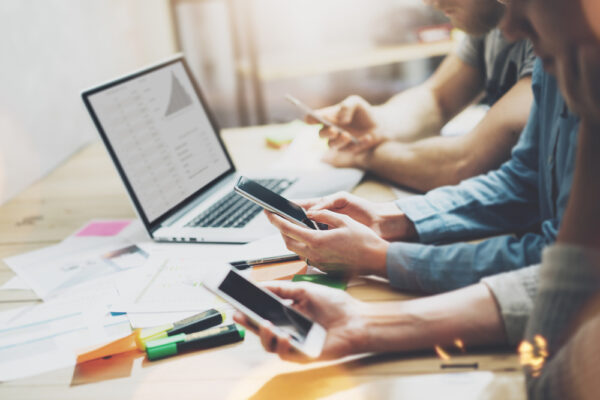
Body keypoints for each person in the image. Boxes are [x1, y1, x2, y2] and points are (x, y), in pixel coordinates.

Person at [234, 0, 600, 380]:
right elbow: (524, 183)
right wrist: (391, 221)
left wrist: (384, 259)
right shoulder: (562, 52)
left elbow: (555, 263)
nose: (509, 31)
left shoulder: (563, 49)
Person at [311, 0, 535, 192]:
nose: (428, 2)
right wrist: (380, 123)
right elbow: (437, 99)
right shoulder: (487, 20)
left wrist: (365, 156)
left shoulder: (553, 34)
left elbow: (467, 162)